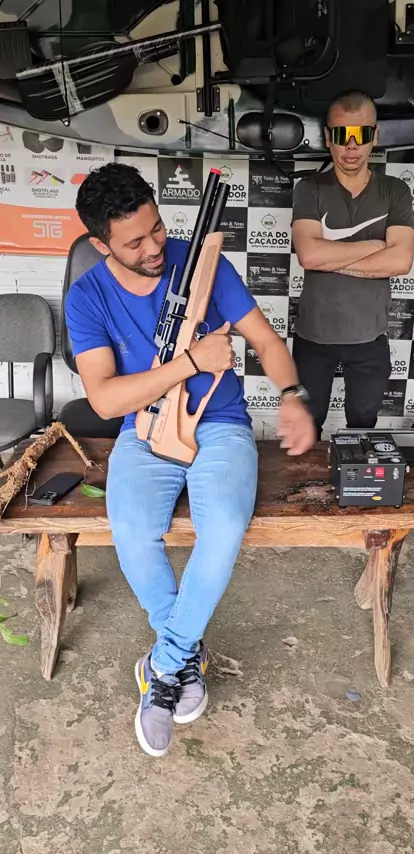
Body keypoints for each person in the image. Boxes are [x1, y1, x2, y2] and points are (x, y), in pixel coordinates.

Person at [64, 162, 316, 757]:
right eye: (134, 242)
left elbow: (266, 341)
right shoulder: (87, 296)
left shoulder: (203, 262)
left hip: (221, 424)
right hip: (144, 427)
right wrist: (191, 362)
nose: (154, 247)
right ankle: (186, 655)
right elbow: (105, 399)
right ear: (100, 244)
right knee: (131, 527)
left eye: (156, 228)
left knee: (224, 523)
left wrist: (291, 395)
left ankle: (166, 665)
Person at [291, 89, 414, 439]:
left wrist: (330, 258)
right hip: (313, 337)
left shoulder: (395, 191)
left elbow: (400, 260)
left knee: (363, 428)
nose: (351, 146)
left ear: (374, 135)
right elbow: (309, 256)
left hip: (370, 338)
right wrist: (374, 247)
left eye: (360, 134)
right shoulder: (310, 188)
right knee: (307, 426)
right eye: (342, 134)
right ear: (328, 137)